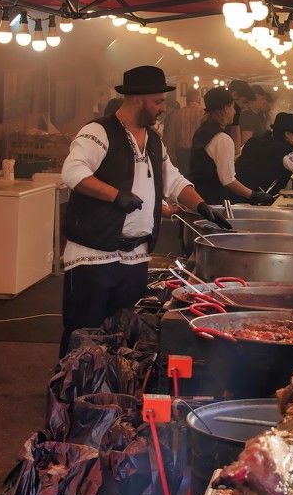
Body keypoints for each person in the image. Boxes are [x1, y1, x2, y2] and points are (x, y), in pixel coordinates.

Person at [59, 66, 230, 358]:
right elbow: (73, 172)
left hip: (134, 254)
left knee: (123, 332)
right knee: (84, 333)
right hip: (95, 252)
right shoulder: (98, 132)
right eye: (158, 102)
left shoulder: (154, 141)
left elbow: (173, 180)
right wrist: (117, 196)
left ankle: (111, 394)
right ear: (137, 99)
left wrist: (201, 205)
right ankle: (70, 397)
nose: (163, 108)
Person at [188, 86, 275, 206]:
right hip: (213, 204)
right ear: (225, 108)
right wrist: (254, 195)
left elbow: (210, 162)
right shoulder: (222, 138)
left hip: (197, 200)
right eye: (233, 107)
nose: (234, 111)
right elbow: (228, 180)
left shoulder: (202, 131)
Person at [235, 112, 293, 194]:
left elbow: (236, 160)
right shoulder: (287, 151)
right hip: (258, 201)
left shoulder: (254, 141)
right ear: (287, 134)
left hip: (236, 195)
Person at [165, 88, 203, 175]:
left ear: (186, 100)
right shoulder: (204, 114)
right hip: (199, 152)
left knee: (184, 178)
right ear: (199, 99)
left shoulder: (177, 114)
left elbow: (171, 136)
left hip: (182, 153)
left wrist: (171, 156)